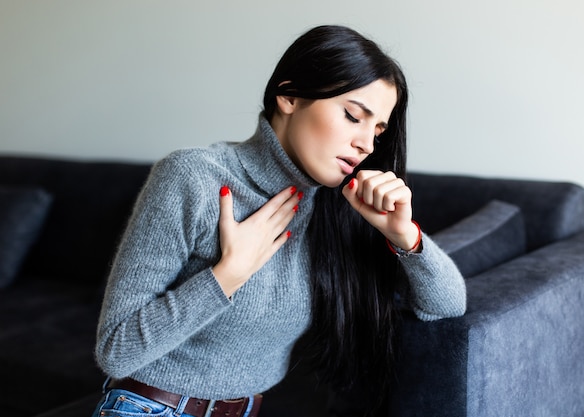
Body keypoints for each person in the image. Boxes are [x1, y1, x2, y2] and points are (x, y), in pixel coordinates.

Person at [91, 25, 466, 417]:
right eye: (354, 116)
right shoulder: (193, 178)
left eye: (378, 130)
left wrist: (404, 235)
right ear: (289, 95)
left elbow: (447, 305)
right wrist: (228, 275)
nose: (366, 144)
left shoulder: (339, 207)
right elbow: (116, 350)